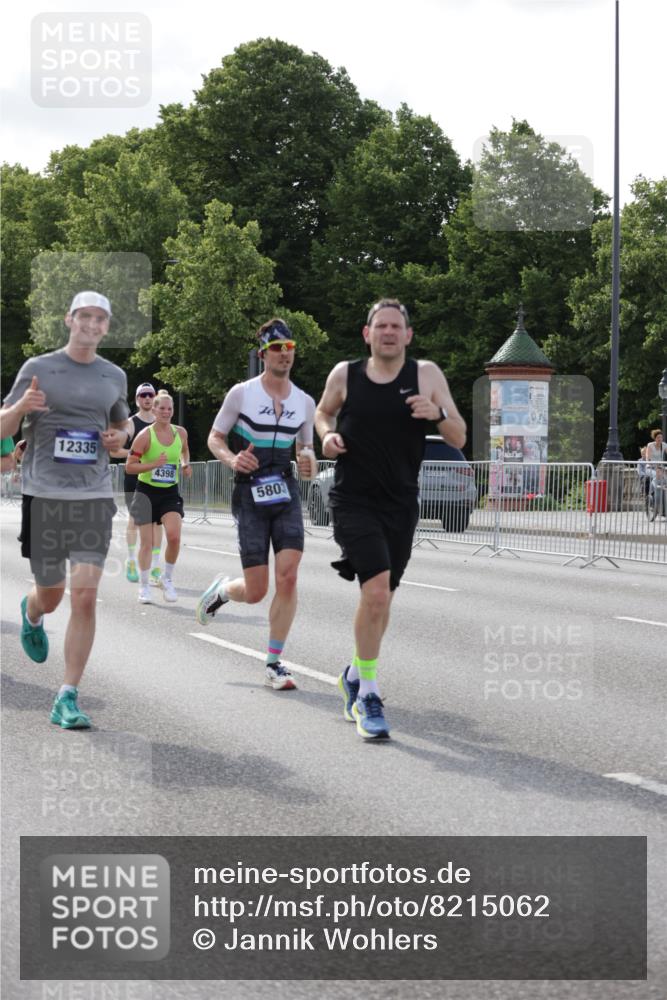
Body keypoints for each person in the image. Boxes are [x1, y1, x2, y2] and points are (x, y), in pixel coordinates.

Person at [315, 298, 466, 740]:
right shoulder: (346, 374)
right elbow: (323, 413)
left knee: (383, 600)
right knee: (376, 592)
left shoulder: (427, 375)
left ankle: (354, 674)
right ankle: (368, 696)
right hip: (353, 499)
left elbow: (458, 434)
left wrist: (437, 414)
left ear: (407, 335)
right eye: (380, 326)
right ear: (367, 334)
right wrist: (328, 437)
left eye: (395, 326)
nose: (387, 332)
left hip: (401, 502)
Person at [0, 291, 129, 729]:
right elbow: (3, 426)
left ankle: (67, 695)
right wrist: (22, 407)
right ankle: (32, 610)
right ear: (69, 319)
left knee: (86, 596)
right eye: (84, 317)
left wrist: (118, 437)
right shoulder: (38, 368)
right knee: (52, 595)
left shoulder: (114, 375)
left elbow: (121, 422)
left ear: (107, 326)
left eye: (100, 319)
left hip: (93, 495)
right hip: (46, 495)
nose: (92, 325)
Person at [195, 318, 316, 690]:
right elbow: (215, 438)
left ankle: (275, 662)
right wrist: (232, 459)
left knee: (289, 574)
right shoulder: (241, 394)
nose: (285, 354)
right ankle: (220, 593)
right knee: (257, 590)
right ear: (263, 354)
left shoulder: (304, 402)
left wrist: (309, 460)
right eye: (277, 348)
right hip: (249, 491)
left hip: (285, 489)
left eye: (289, 348)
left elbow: (305, 449)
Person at [125, 392, 191, 603]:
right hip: (146, 492)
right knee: (147, 543)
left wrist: (185, 464)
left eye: (169, 409)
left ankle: (167, 578)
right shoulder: (144, 436)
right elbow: (130, 467)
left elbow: (184, 451)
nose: (166, 412)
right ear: (153, 411)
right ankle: (144, 587)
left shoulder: (180, 433)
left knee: (174, 537)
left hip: (169, 492)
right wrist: (153, 464)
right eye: (161, 408)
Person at [111, 382, 165, 585]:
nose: (147, 399)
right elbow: (114, 451)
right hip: (135, 479)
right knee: (135, 520)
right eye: (143, 395)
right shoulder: (130, 424)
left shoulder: (162, 422)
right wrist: (139, 455)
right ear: (137, 399)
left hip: (158, 479)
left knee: (157, 523)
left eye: (150, 395)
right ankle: (132, 560)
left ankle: (156, 565)